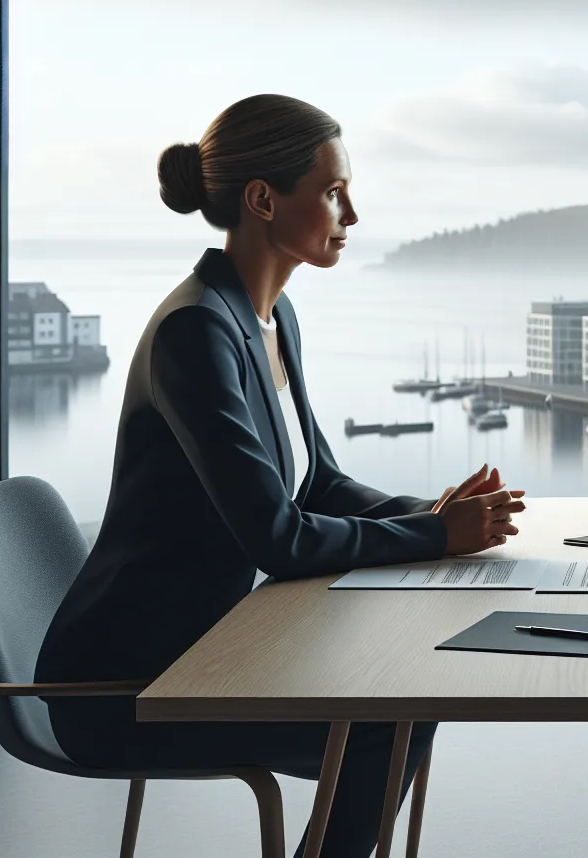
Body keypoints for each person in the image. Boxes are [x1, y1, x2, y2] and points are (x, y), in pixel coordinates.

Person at [35, 94, 525, 857]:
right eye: (333, 191)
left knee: (405, 703)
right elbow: (279, 537)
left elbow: (317, 482)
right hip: (128, 683)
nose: (351, 214)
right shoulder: (195, 331)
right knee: (385, 721)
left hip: (213, 653)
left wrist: (434, 509)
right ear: (264, 199)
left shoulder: (267, 317)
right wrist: (432, 533)